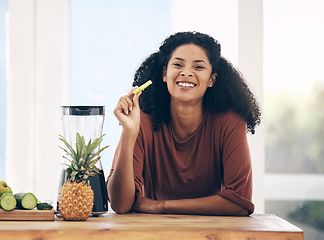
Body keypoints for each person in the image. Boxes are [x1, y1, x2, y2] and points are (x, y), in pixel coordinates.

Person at [107, 31, 261, 216]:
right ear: (165, 74)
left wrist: (160, 206)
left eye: (198, 67)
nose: (186, 72)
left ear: (212, 79)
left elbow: (240, 202)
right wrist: (129, 133)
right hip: (152, 231)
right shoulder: (143, 120)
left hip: (212, 232)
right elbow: (120, 204)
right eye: (178, 64)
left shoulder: (229, 120)